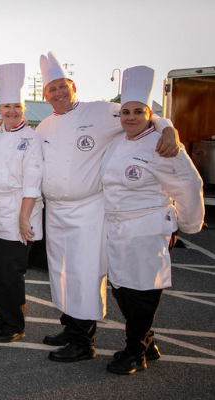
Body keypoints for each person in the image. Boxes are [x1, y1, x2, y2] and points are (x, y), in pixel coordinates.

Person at [32, 51, 179, 362]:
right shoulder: (44, 126)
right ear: (44, 96)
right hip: (55, 211)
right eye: (51, 89)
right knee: (60, 273)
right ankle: (70, 325)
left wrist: (168, 127)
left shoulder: (100, 112)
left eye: (62, 86)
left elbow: (141, 113)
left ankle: (83, 343)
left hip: (88, 210)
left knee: (85, 273)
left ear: (73, 87)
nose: (58, 93)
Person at [101, 66, 203, 374]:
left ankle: (135, 353)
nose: (130, 117)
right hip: (118, 228)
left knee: (143, 292)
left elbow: (190, 185)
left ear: (149, 114)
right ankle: (146, 341)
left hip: (147, 228)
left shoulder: (163, 145)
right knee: (121, 287)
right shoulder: (120, 140)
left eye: (138, 112)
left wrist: (187, 224)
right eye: (125, 112)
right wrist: (165, 122)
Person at [0, 63, 43, 343]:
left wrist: (23, 218)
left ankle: (15, 323)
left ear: (24, 108)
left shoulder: (32, 138)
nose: (12, 111)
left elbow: (33, 180)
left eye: (16, 106)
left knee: (11, 275)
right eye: (6, 106)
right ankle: (1, 317)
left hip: (20, 211)